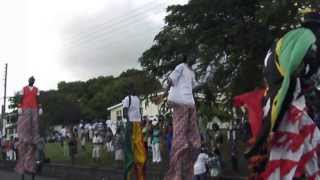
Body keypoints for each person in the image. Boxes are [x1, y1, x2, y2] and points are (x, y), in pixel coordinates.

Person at [246, 12, 320, 179]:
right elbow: (284, 90)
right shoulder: (304, 40)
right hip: (281, 89)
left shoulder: (297, 40)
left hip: (284, 91)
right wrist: (266, 133)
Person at [164, 55, 203, 180]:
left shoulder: (192, 72)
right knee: (180, 137)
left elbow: (194, 86)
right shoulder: (181, 66)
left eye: (195, 57)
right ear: (188, 58)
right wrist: (165, 93)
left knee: (194, 135)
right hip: (180, 102)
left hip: (190, 103)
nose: (194, 59)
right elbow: (171, 79)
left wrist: (205, 84)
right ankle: (176, 173)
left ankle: (188, 161)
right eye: (192, 56)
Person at [15, 76, 43, 180]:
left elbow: (38, 98)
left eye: (33, 80)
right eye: (31, 80)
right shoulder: (24, 88)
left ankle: (33, 136)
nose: (32, 81)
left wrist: (40, 107)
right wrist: (19, 106)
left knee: (34, 123)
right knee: (25, 123)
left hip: (34, 107)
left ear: (34, 81)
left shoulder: (36, 89)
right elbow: (21, 98)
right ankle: (24, 135)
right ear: (28, 81)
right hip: (26, 107)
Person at [123, 83, 146, 180]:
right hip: (131, 124)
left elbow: (139, 111)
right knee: (129, 151)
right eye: (132, 88)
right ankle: (128, 176)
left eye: (135, 87)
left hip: (138, 124)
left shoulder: (137, 99)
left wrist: (140, 121)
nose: (135, 89)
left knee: (140, 150)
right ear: (129, 90)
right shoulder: (127, 99)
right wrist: (129, 123)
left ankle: (140, 176)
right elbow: (124, 112)